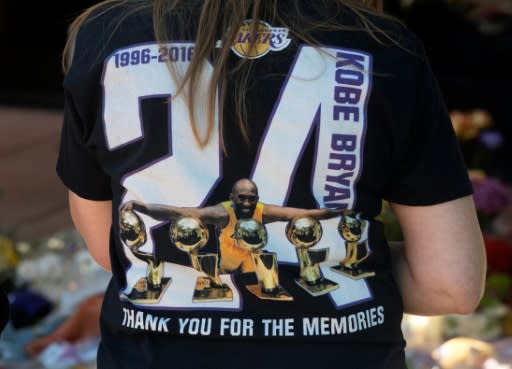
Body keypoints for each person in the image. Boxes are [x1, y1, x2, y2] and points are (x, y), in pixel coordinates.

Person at [56, 1, 487, 368]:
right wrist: (324, 260)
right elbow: (450, 282)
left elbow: (111, 246)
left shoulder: (107, 35)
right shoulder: (383, 46)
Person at [121, 178, 343, 273]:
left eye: (251, 198)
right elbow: (178, 213)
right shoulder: (221, 213)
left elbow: (303, 214)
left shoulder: (263, 210)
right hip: (228, 267)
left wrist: (341, 211)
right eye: (242, 198)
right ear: (232, 197)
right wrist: (141, 207)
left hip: (255, 265)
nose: (247, 204)